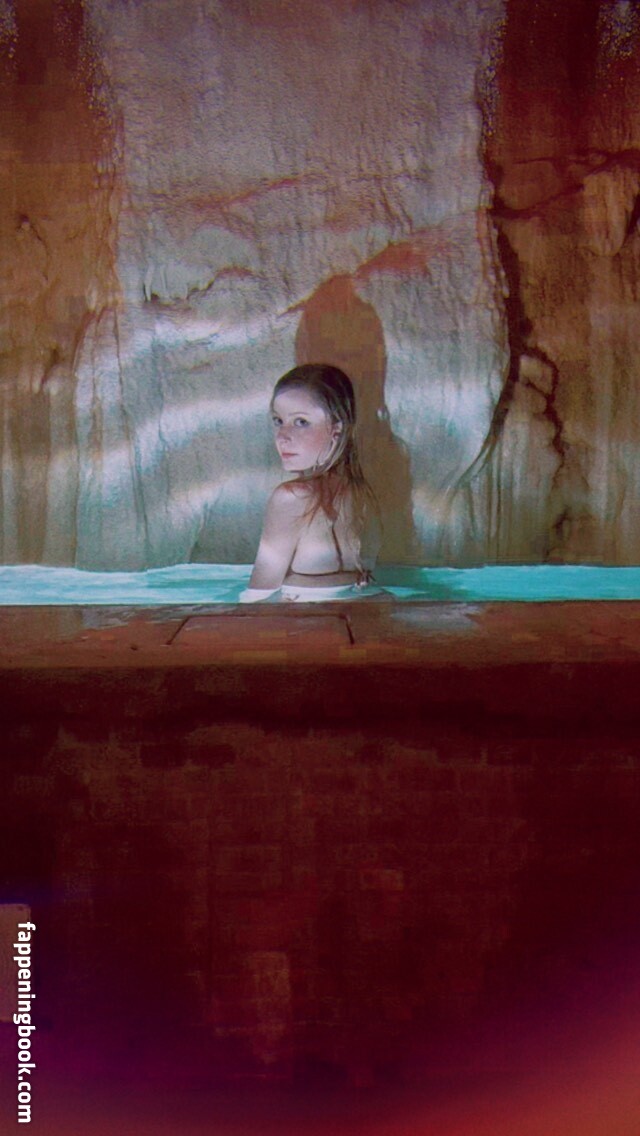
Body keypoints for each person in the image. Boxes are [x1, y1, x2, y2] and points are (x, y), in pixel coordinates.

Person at [239, 363, 383, 602]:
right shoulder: (362, 493)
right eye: (278, 420)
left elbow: (257, 596)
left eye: (301, 422)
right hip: (366, 610)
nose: (283, 437)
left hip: (306, 619)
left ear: (336, 429)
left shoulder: (291, 498)